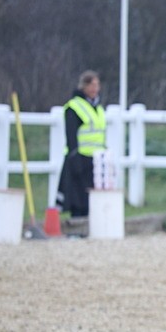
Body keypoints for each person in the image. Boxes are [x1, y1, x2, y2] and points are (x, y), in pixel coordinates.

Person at [57, 70, 106, 220]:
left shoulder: (98, 107)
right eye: (91, 85)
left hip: (96, 158)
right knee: (77, 196)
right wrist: (74, 155)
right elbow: (71, 134)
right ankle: (76, 224)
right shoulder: (74, 106)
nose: (95, 89)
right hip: (80, 156)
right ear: (83, 86)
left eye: (97, 85)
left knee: (91, 196)